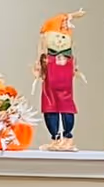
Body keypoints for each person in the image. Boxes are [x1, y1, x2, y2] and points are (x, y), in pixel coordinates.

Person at [34, 10, 85, 151]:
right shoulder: (46, 58)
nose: (59, 40)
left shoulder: (70, 58)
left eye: (63, 37)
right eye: (56, 36)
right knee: (50, 110)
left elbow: (74, 69)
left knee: (67, 109)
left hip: (66, 90)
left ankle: (68, 137)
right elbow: (40, 70)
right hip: (49, 90)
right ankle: (55, 138)